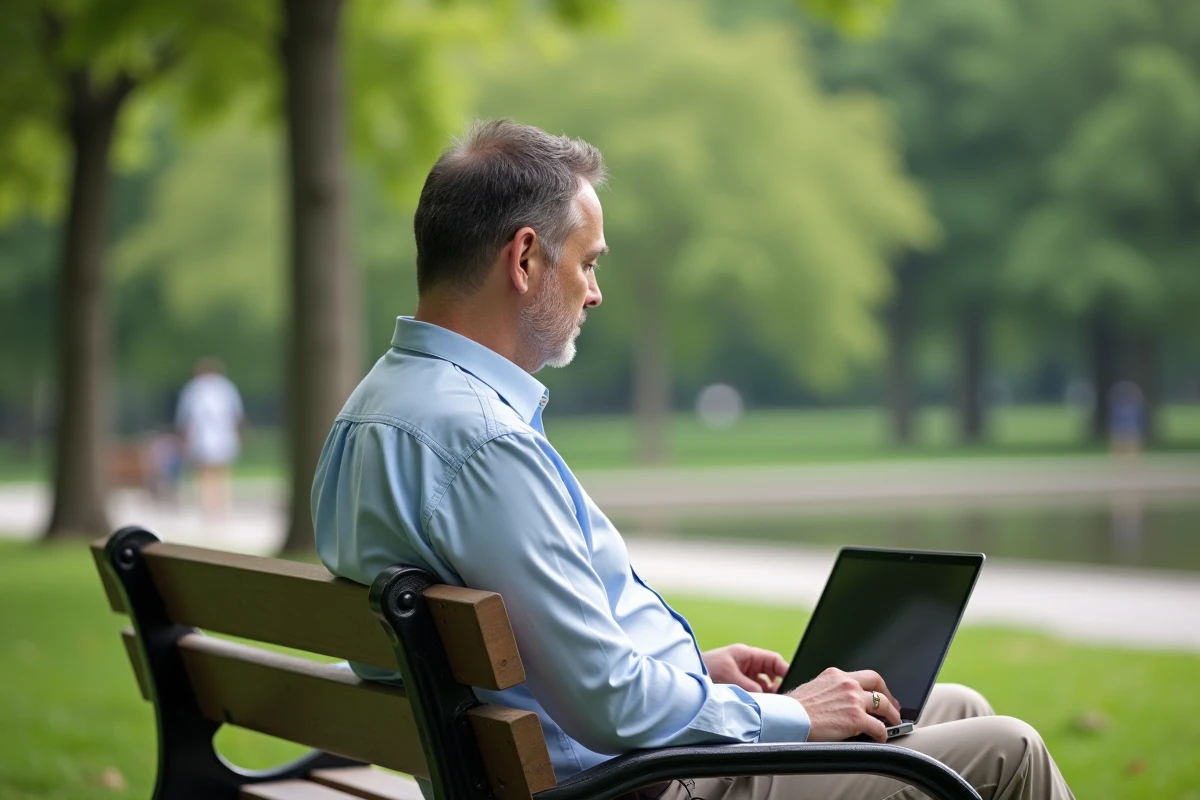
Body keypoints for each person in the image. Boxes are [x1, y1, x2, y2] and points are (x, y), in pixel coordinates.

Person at [312, 120, 1074, 800]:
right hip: (638, 785)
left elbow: (551, 668)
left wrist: (692, 673)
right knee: (1007, 750)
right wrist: (791, 714)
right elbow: (609, 705)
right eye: (588, 263)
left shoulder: (371, 413)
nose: (594, 293)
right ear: (525, 258)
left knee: (952, 708)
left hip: (565, 768)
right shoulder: (485, 443)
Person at [175, 357, 245, 516]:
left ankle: (216, 505)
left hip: (215, 435)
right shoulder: (219, 388)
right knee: (211, 472)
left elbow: (184, 417)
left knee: (213, 472)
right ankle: (214, 506)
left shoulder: (197, 389)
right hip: (208, 436)